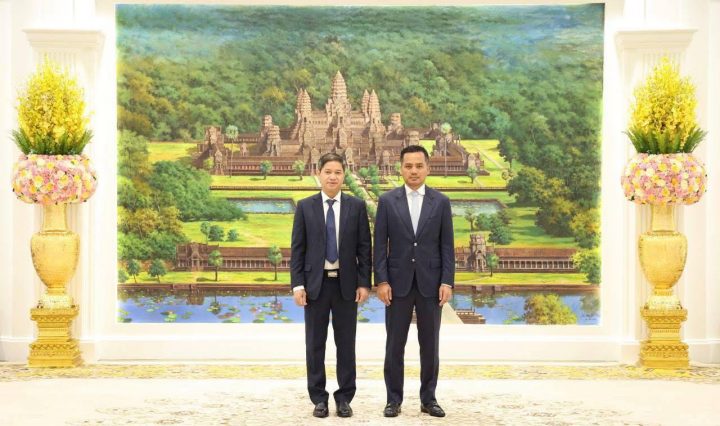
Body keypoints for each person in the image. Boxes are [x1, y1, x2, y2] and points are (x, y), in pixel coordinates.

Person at [374, 144, 454, 418]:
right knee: (394, 345)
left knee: (429, 345)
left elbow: (447, 246)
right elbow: (379, 246)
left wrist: (447, 281)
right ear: (401, 169)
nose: (414, 171)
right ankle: (393, 400)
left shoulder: (441, 202)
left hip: (431, 285)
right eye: (408, 166)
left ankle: (428, 399)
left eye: (419, 166)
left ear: (428, 168)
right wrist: (381, 281)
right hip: (396, 285)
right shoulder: (387, 201)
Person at [290, 152, 372, 418]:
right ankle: (319, 398)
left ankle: (344, 397)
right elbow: (298, 249)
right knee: (315, 344)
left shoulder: (356, 206)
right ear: (319, 173)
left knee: (346, 344)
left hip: (346, 286)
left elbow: (364, 248)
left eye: (338, 172)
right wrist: (297, 285)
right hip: (315, 285)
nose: (333, 177)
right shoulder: (305, 207)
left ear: (344, 175)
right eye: (328, 172)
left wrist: (364, 283)